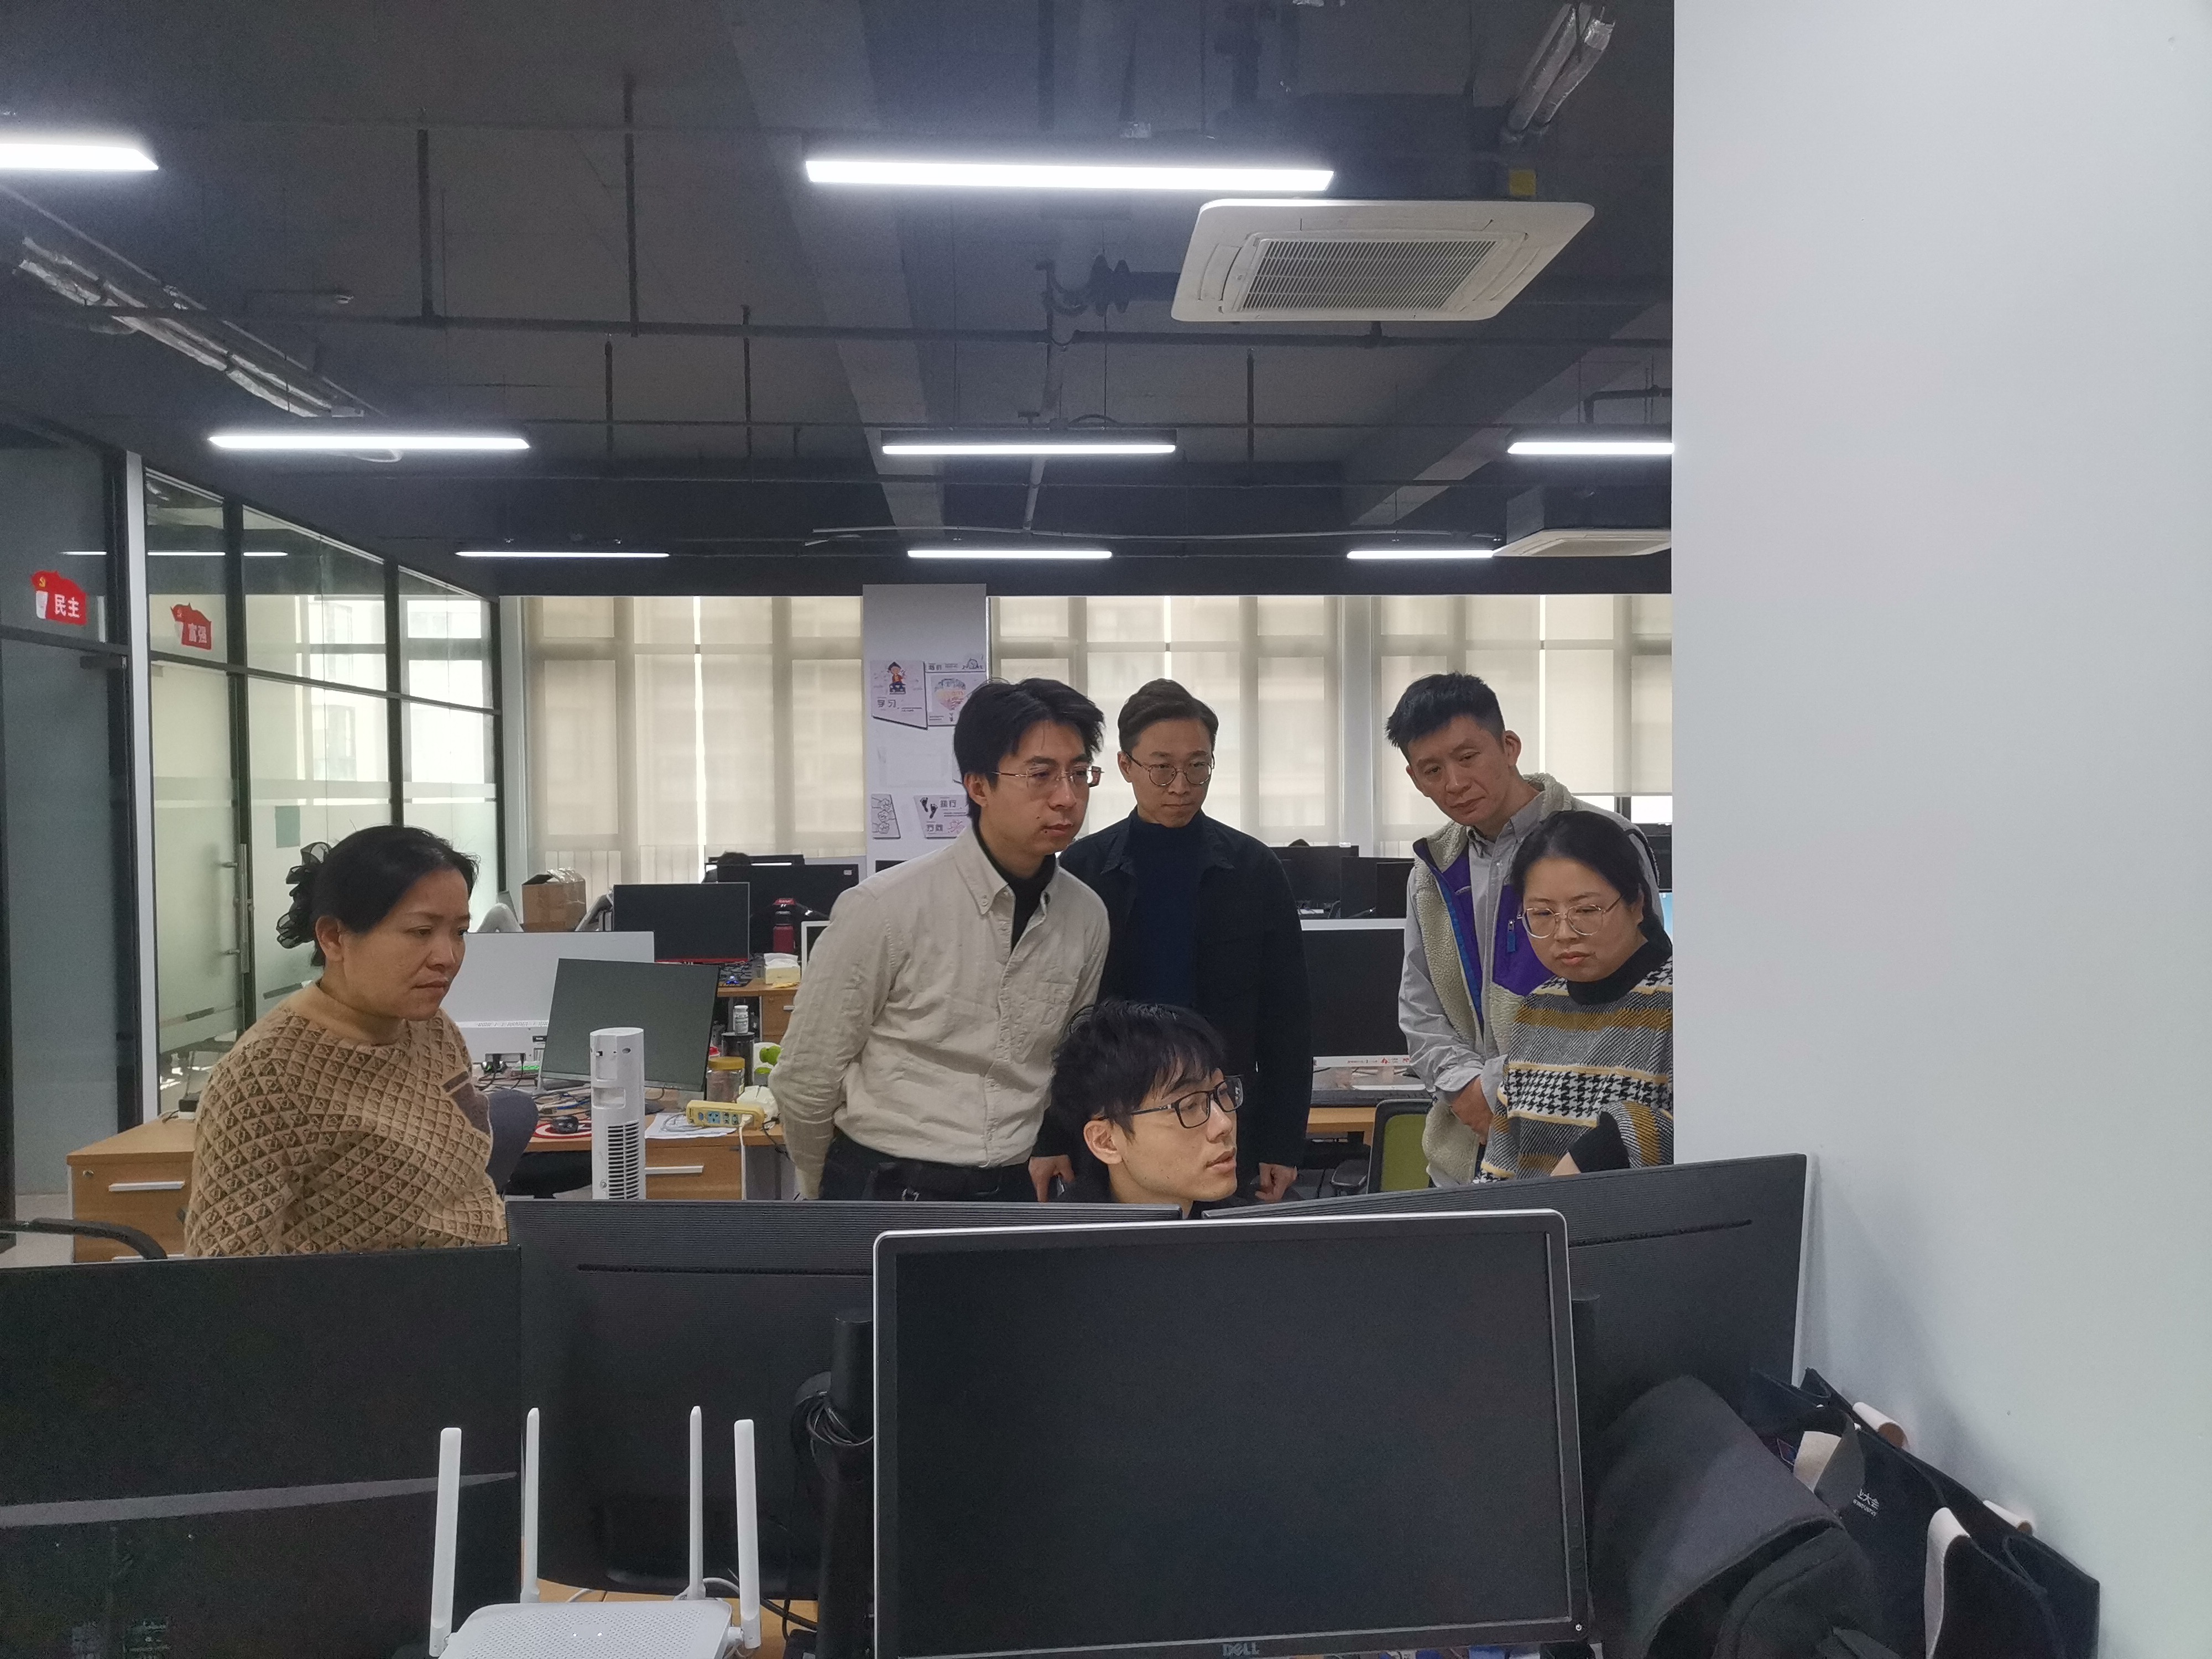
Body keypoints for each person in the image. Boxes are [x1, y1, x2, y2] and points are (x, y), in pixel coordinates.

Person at [773, 677, 1111, 1201]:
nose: (1067, 798)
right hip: (884, 1184)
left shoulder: (1085, 917)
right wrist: (826, 1194)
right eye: (1041, 775)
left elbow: (1062, 1062)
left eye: (1079, 774)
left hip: (1010, 1189)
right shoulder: (883, 909)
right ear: (978, 787)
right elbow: (806, 1078)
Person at [1388, 672, 1659, 1186]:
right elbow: (1419, 1009)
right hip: (1461, 1158)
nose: (1454, 783)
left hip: (1581, 1151)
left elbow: (1642, 992)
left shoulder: (1603, 839)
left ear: (1509, 746)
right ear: (1415, 778)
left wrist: (1507, 1091)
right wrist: (1468, 1090)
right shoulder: (1431, 870)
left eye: (1468, 757)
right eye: (1432, 770)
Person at [1044, 680, 1311, 1201]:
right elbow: (1054, 1018)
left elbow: (1288, 1020)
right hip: (1113, 1123)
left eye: (1198, 766)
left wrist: (1283, 1142)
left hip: (1223, 1120)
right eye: (1162, 768)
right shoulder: (1083, 869)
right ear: (1125, 766)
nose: (1181, 784)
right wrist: (1050, 1136)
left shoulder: (1253, 869)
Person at [185, 825, 507, 1255]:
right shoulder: (265, 1076)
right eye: (420, 932)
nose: (447, 958)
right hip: (386, 1296)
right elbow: (225, 1269)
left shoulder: (431, 1028)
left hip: (493, 1270)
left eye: (459, 932)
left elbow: (465, 1186)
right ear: (334, 937)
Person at [1487, 810, 1673, 1179]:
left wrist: (1612, 1142)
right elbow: (1501, 1165)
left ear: (1637, 904)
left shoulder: (1683, 1004)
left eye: (1587, 910)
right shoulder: (1537, 1008)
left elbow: (1714, 1138)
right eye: (1542, 914)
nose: (1564, 933)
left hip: (1636, 1217)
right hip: (1535, 1215)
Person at [1047, 1000, 1244, 1213]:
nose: (1224, 1124)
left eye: (1222, 1093)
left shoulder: (1253, 1228)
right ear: (1106, 1142)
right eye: (1188, 1106)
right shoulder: (1058, 1233)